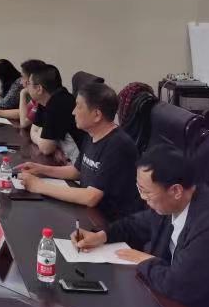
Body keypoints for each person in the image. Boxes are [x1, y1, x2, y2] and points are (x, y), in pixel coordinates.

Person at [72, 145, 209, 307]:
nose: (142, 198)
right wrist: (102, 236)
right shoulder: (175, 202)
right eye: (139, 188)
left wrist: (144, 260)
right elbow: (135, 224)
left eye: (146, 192)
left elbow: (178, 285)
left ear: (176, 190)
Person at [16, 82, 141, 220]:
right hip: (89, 213)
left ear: (97, 115)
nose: (73, 112)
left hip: (110, 222)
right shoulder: (92, 134)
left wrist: (39, 186)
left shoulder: (118, 145)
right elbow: (77, 171)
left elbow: (91, 197)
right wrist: (40, 169)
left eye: (78, 106)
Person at [27, 64, 84, 163]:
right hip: (64, 159)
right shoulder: (44, 100)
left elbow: (46, 148)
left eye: (29, 83)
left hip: (77, 163)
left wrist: (43, 137)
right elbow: (34, 129)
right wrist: (49, 143)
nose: (26, 86)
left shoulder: (59, 103)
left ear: (39, 89)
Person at [17, 59, 48, 130]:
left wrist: (22, 94)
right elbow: (23, 113)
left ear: (32, 78)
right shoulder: (36, 98)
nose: (21, 82)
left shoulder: (41, 98)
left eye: (23, 77)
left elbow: (24, 123)